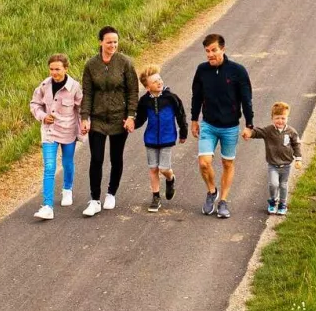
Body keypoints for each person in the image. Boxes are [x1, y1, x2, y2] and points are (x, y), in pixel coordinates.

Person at [190, 33, 254, 219]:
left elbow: (246, 99)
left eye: (214, 50)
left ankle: (223, 201)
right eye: (207, 51)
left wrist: (249, 124)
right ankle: (212, 192)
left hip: (230, 127)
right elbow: (196, 96)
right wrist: (194, 120)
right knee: (204, 163)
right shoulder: (202, 70)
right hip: (208, 124)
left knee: (227, 163)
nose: (210, 54)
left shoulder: (237, 71)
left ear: (223, 49)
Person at [80, 26, 138, 217]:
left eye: (115, 41)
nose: (112, 45)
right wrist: (84, 117)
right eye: (109, 42)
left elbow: (133, 92)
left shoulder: (125, 63)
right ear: (100, 42)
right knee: (96, 158)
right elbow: (87, 93)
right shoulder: (91, 65)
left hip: (118, 118)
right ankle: (94, 199)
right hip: (97, 119)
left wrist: (131, 116)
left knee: (116, 157)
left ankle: (111, 192)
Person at [29, 53, 83, 219]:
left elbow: (81, 109)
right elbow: (35, 104)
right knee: (50, 167)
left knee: (67, 163)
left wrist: (83, 129)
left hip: (68, 131)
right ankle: (47, 206)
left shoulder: (74, 87)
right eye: (51, 69)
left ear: (66, 69)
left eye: (58, 69)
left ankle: (67, 188)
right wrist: (43, 116)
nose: (54, 72)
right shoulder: (44, 85)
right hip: (49, 132)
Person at [134, 65, 188, 212]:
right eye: (154, 81)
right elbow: (140, 119)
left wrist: (184, 132)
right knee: (153, 169)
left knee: (163, 168)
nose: (159, 82)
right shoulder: (144, 101)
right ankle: (156, 197)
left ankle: (170, 179)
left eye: (159, 79)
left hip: (167, 137)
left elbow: (181, 116)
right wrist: (131, 125)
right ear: (147, 87)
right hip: (150, 139)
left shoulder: (171, 98)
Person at [243, 101, 303, 215]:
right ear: (272, 118)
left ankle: (282, 204)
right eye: (277, 118)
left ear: (287, 118)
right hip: (273, 165)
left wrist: (298, 159)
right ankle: (272, 201)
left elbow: (296, 145)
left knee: (283, 185)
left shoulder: (291, 132)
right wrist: (249, 133)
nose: (280, 121)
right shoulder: (269, 130)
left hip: (286, 165)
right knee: (274, 184)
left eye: (283, 118)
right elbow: (258, 132)